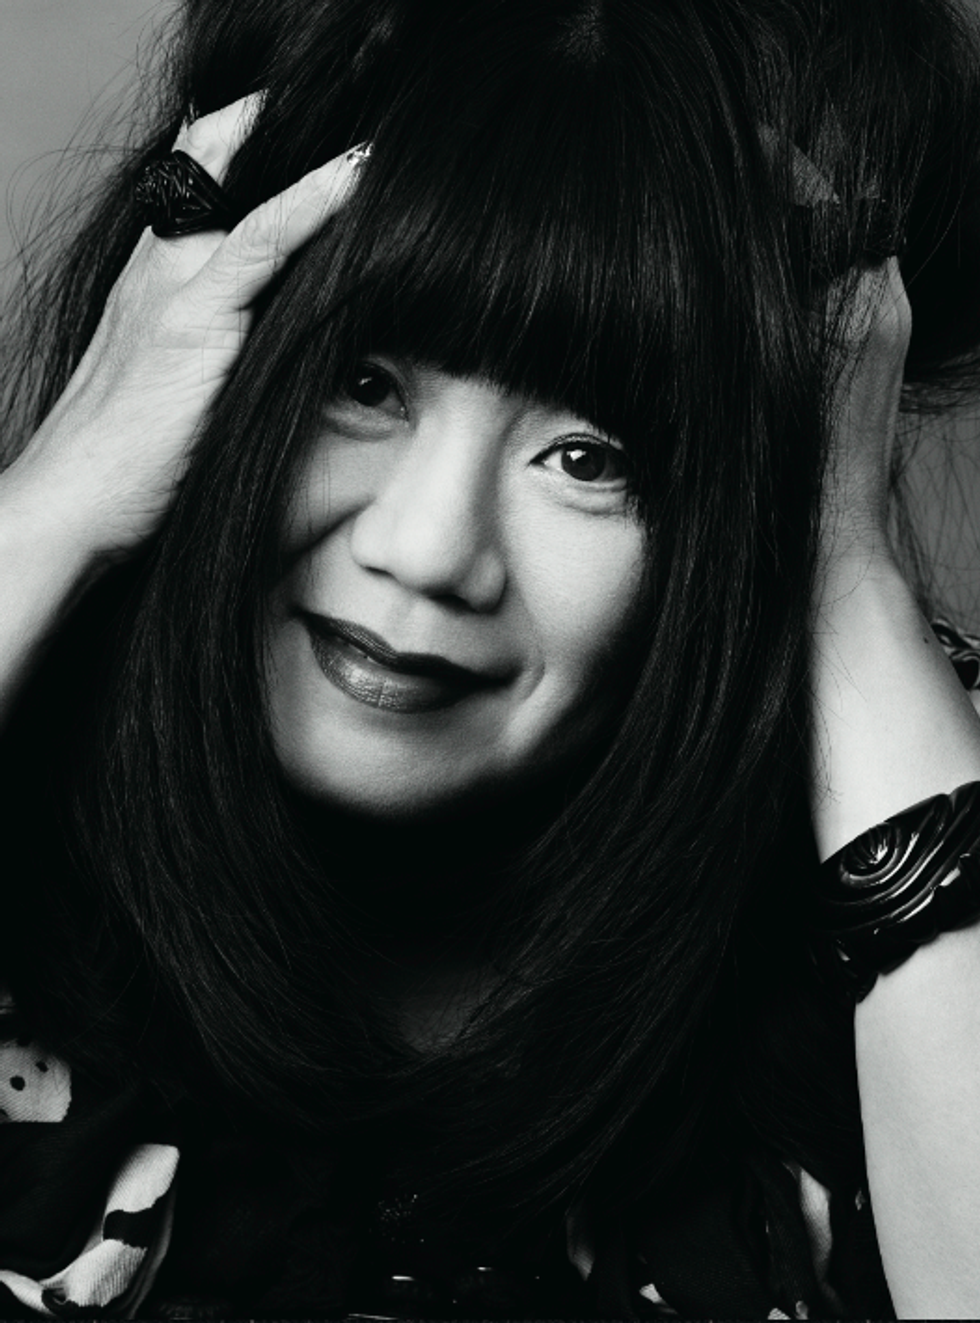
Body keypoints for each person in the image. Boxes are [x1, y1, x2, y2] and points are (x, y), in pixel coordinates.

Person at [3, 0, 980, 1315]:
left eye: (589, 458)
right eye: (363, 383)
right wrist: (57, 503)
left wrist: (846, 581)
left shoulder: (910, 770)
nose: (425, 549)